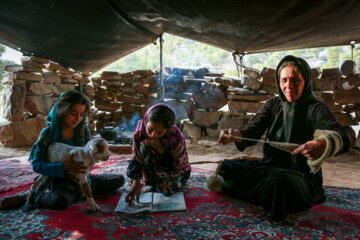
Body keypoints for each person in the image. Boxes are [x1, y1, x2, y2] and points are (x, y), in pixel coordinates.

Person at [216, 55, 350, 222]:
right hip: (268, 168)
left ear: (306, 81)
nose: (289, 86)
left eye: (296, 80)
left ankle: (270, 197)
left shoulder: (316, 109)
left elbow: (342, 136)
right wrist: (236, 134)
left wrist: (324, 142)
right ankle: (269, 196)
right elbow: (251, 132)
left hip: (300, 178)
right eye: (284, 80)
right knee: (227, 168)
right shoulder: (273, 104)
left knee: (279, 183)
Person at [26, 90, 125, 210]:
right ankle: (37, 196)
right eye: (73, 113)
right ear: (61, 110)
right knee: (60, 201)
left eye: (82, 114)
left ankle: (79, 191)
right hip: (60, 180)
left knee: (119, 180)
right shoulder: (47, 134)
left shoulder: (83, 132)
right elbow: (37, 165)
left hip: (81, 178)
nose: (78, 118)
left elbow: (90, 156)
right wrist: (63, 167)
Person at [125, 103, 191, 205]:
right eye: (150, 129)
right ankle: (152, 179)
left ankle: (158, 181)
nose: (153, 135)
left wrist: (160, 148)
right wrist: (136, 181)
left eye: (159, 132)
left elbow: (177, 166)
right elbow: (136, 156)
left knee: (164, 189)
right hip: (154, 169)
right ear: (146, 120)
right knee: (144, 146)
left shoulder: (175, 138)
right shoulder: (140, 130)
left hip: (175, 171)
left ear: (167, 130)